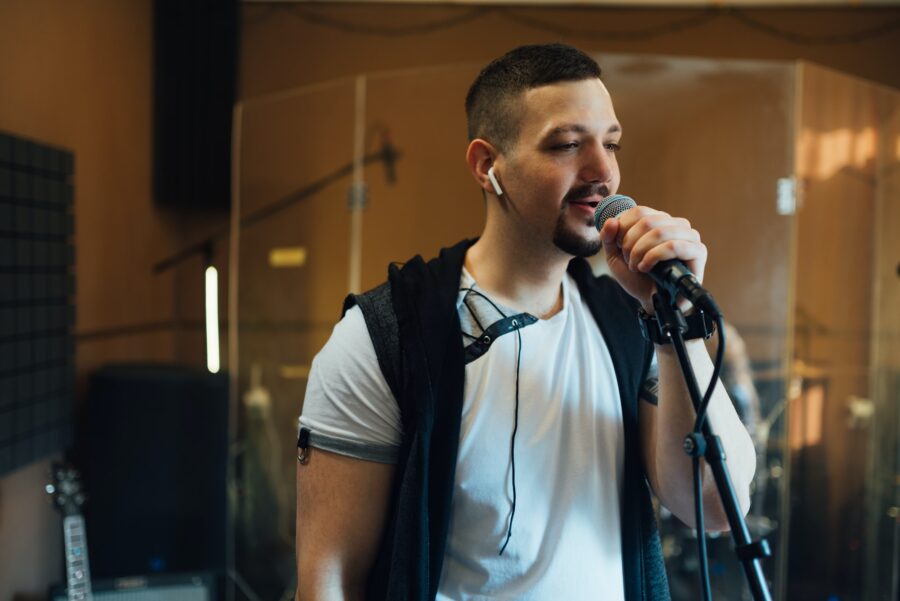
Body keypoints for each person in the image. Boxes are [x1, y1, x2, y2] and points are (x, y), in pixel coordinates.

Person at [295, 43, 756, 601]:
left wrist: (675, 322)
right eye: (567, 145)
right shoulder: (387, 334)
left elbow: (713, 507)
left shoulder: (629, 323)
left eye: (611, 144)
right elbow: (328, 577)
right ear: (487, 166)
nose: (603, 172)